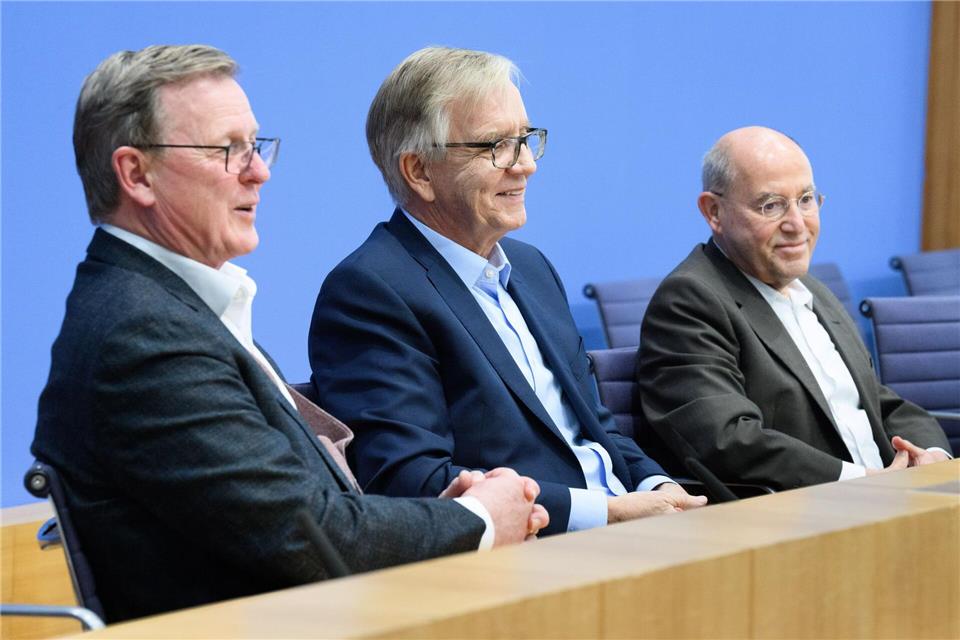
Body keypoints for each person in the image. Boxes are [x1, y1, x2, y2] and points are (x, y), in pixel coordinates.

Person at [31, 44, 547, 624]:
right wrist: (477, 519)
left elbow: (299, 516)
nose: (259, 170)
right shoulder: (143, 337)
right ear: (136, 174)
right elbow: (314, 541)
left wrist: (437, 518)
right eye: (228, 150)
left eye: (255, 145)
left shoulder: (172, 309)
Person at [308, 46, 705, 538]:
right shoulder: (370, 292)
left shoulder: (532, 268)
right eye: (495, 145)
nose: (525, 165)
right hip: (529, 556)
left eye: (525, 139)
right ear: (419, 171)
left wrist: (656, 486)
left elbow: (597, 431)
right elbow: (413, 481)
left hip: (627, 532)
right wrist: (609, 513)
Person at [636, 125, 951, 490]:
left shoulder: (811, 289)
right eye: (771, 205)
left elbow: (877, 403)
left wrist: (931, 457)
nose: (797, 224)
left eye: (806, 199)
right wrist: (864, 483)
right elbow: (730, 441)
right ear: (714, 212)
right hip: (803, 516)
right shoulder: (689, 301)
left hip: (892, 498)